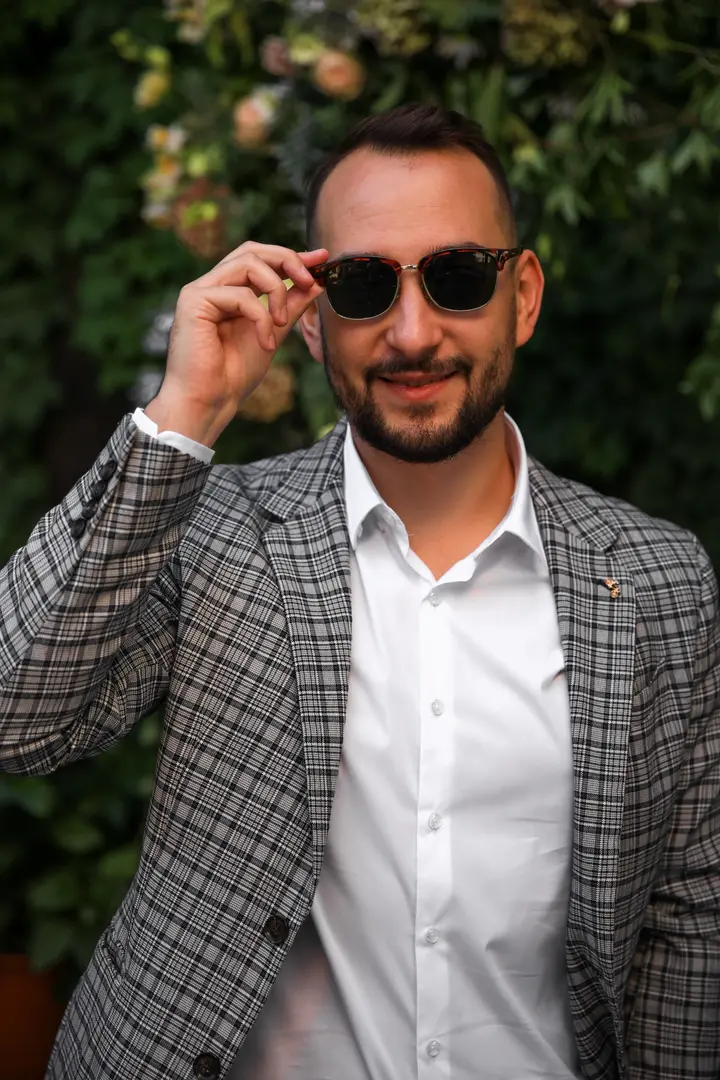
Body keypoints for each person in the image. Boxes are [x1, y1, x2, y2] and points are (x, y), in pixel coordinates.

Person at [0, 102, 718, 1080]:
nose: (412, 334)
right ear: (310, 317)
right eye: (365, 285)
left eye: (458, 277)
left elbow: (689, 915)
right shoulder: (213, 531)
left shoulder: (663, 584)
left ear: (523, 296)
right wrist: (185, 413)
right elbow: (17, 720)